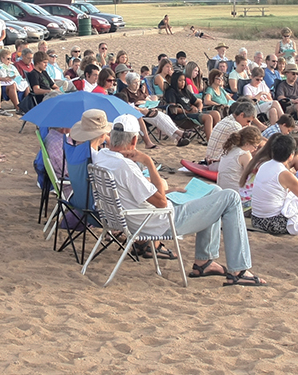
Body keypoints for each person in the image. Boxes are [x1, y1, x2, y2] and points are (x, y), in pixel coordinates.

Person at [87, 113, 266, 286]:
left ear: (111, 137)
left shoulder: (102, 157)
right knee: (231, 197)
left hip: (129, 218)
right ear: (134, 141)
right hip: (156, 222)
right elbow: (161, 202)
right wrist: (149, 163)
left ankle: (204, 261)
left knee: (215, 191)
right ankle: (239, 270)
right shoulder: (125, 166)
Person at [241, 134, 298, 236]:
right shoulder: (285, 174)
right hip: (272, 222)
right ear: (291, 155)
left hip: (256, 219)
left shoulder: (264, 165)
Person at [117, 72, 188, 148]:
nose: (138, 84)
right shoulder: (125, 92)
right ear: (129, 83)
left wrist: (144, 102)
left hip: (148, 111)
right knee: (159, 118)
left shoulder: (139, 91)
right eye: (135, 83)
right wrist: (140, 107)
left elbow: (149, 100)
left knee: (163, 117)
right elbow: (127, 106)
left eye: (138, 82)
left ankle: (178, 138)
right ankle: (179, 133)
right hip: (138, 114)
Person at [203, 101, 257, 168]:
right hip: (217, 164)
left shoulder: (228, 120)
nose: (248, 124)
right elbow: (251, 141)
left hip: (213, 162)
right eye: (248, 121)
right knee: (249, 149)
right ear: (242, 115)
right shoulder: (234, 125)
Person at [216, 126, 264, 202]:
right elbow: (250, 176)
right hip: (235, 193)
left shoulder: (231, 148)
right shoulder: (244, 154)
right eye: (255, 146)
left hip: (222, 189)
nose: (255, 149)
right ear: (247, 144)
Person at [164, 71, 216, 139]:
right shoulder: (171, 91)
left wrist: (199, 109)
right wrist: (188, 111)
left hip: (192, 113)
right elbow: (173, 109)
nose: (183, 82)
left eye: (184, 80)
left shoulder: (185, 91)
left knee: (215, 113)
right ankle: (210, 141)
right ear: (175, 81)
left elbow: (199, 102)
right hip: (182, 117)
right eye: (180, 80)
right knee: (208, 117)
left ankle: (216, 138)